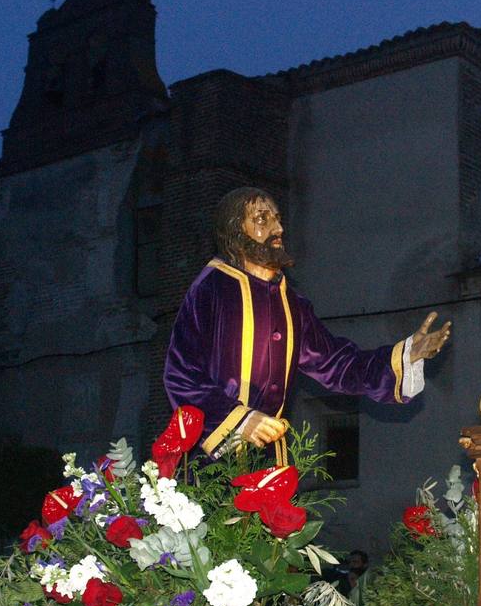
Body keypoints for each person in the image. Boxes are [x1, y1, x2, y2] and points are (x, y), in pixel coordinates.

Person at [164, 187, 451, 457]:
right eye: (262, 220)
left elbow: (336, 364)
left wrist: (406, 355)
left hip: (269, 463)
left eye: (277, 219)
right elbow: (181, 374)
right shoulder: (212, 288)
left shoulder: (291, 303)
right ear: (235, 231)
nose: (278, 229)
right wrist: (238, 420)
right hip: (211, 459)